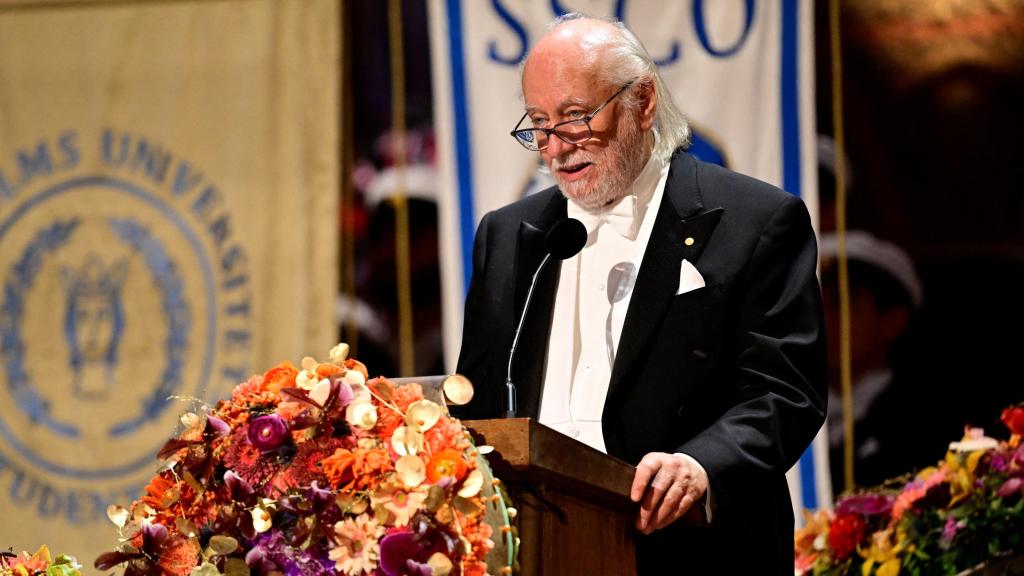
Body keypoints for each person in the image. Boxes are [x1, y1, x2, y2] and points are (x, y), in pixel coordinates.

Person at [455, 13, 826, 574]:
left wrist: (702, 465)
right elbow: (479, 401)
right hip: (537, 547)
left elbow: (785, 389)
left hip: (694, 551)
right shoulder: (508, 236)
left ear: (643, 101)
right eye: (540, 123)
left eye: (576, 117)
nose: (555, 148)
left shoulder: (755, 220)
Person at [819, 231, 923, 489]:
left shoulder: (920, 419)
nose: (822, 320)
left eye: (840, 304)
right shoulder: (788, 412)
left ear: (892, 321)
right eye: (813, 305)